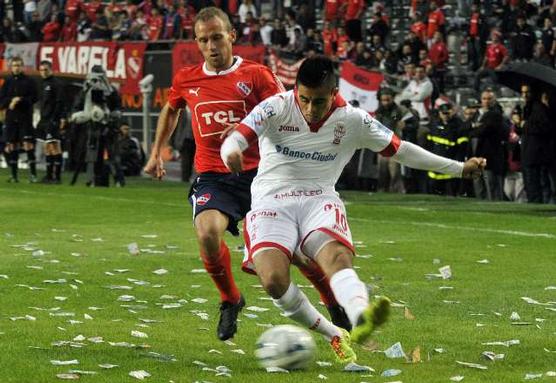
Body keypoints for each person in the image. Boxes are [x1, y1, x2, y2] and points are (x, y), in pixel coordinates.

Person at [220, 55, 486, 361]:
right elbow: (237, 138)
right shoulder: (276, 106)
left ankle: (361, 317)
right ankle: (334, 333)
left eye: (318, 101)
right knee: (273, 280)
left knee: (336, 257)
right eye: (303, 99)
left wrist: (459, 168)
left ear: (334, 92)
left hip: (319, 198)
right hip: (271, 201)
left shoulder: (353, 120)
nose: (309, 109)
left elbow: (402, 151)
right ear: (296, 91)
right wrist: (232, 153)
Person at [144, 7, 350, 343]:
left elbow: (286, 113)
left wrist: (245, 130)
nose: (211, 45)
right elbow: (172, 107)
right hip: (213, 176)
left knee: (296, 252)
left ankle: (333, 304)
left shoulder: (256, 75)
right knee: (207, 233)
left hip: (261, 177)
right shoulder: (187, 78)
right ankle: (230, 300)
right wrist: (156, 153)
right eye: (203, 40)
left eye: (216, 37)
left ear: (231, 36)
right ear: (197, 43)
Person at [0, 56, 38, 183]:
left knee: (28, 145)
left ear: (22, 67)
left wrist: (20, 99)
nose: (16, 67)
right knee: (12, 145)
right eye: (14, 65)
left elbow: (34, 98)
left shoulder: (29, 81)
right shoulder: (7, 82)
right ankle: (14, 175)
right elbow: (1, 100)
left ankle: (33, 175)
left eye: (18, 65)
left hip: (24, 117)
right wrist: (10, 101)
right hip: (11, 118)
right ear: (11, 67)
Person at [36, 60, 66, 184]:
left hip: (52, 119)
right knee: (47, 148)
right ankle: (48, 176)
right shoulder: (42, 84)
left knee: (55, 147)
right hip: (44, 119)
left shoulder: (56, 84)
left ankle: (57, 177)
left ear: (51, 69)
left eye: (46, 70)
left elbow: (60, 102)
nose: (43, 72)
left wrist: (56, 119)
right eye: (41, 70)